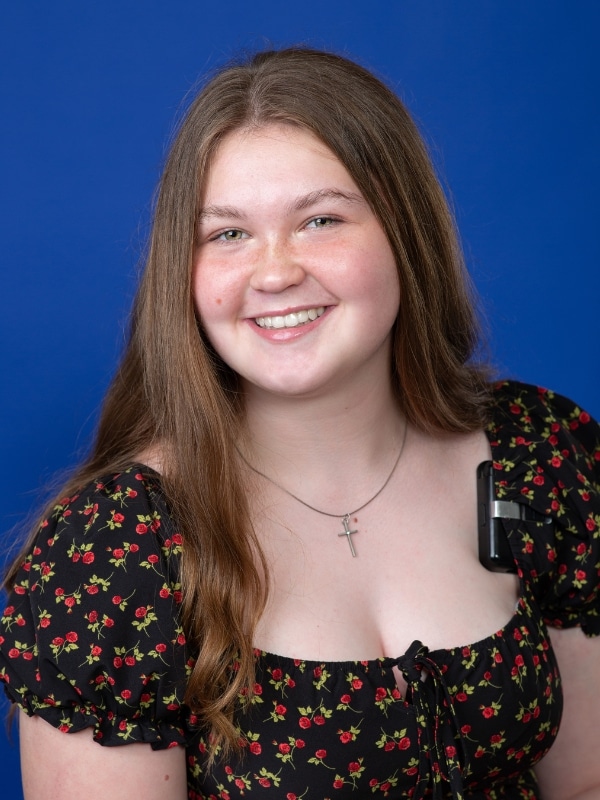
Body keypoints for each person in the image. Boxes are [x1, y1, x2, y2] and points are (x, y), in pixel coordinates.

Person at [1, 47, 599, 800]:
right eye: (227, 234)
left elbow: (585, 781)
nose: (275, 271)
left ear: (404, 235)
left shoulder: (537, 453)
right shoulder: (113, 556)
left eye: (320, 220)